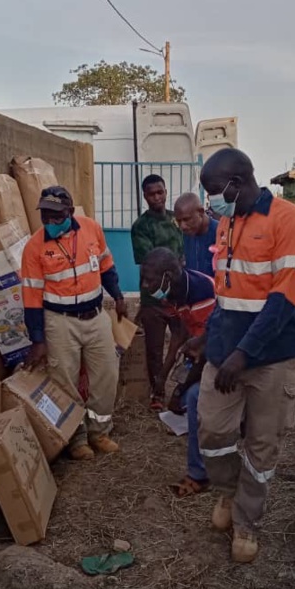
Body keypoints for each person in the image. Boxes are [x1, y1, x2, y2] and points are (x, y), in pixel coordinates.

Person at [197, 149, 295, 564]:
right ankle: (228, 494)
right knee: (212, 431)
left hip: (273, 356)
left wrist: (244, 355)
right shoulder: (229, 219)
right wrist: (211, 339)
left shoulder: (290, 221)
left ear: (238, 182)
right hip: (227, 351)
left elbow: (282, 301)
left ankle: (247, 521)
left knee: (263, 445)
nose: (210, 200)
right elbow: (228, 291)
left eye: (214, 191)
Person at [21, 186, 127, 461]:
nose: (50, 222)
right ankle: (76, 437)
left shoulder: (92, 229)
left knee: (106, 374)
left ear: (69, 212)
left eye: (56, 216)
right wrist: (38, 340)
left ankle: (99, 432)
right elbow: (31, 297)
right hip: (59, 321)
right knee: (64, 380)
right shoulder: (34, 247)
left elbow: (106, 266)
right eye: (45, 216)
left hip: (95, 316)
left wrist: (117, 296)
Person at [140, 248, 216, 497]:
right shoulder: (172, 293)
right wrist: (163, 376)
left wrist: (179, 389)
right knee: (188, 400)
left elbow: (208, 347)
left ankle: (199, 474)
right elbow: (181, 334)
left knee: (192, 398)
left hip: (222, 352)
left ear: (168, 276)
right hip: (202, 349)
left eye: (150, 279)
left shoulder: (201, 291)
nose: (144, 284)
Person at [131, 174, 184, 411]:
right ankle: (158, 393)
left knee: (186, 343)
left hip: (182, 295)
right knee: (155, 348)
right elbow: (151, 263)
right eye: (151, 194)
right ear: (145, 196)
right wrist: (175, 264)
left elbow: (187, 248)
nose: (157, 197)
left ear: (165, 191)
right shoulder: (140, 227)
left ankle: (183, 390)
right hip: (154, 297)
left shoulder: (176, 220)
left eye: (160, 192)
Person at [173, 192, 217, 277]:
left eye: (187, 219)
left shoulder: (220, 233)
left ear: (201, 212)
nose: (183, 226)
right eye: (178, 221)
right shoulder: (187, 234)